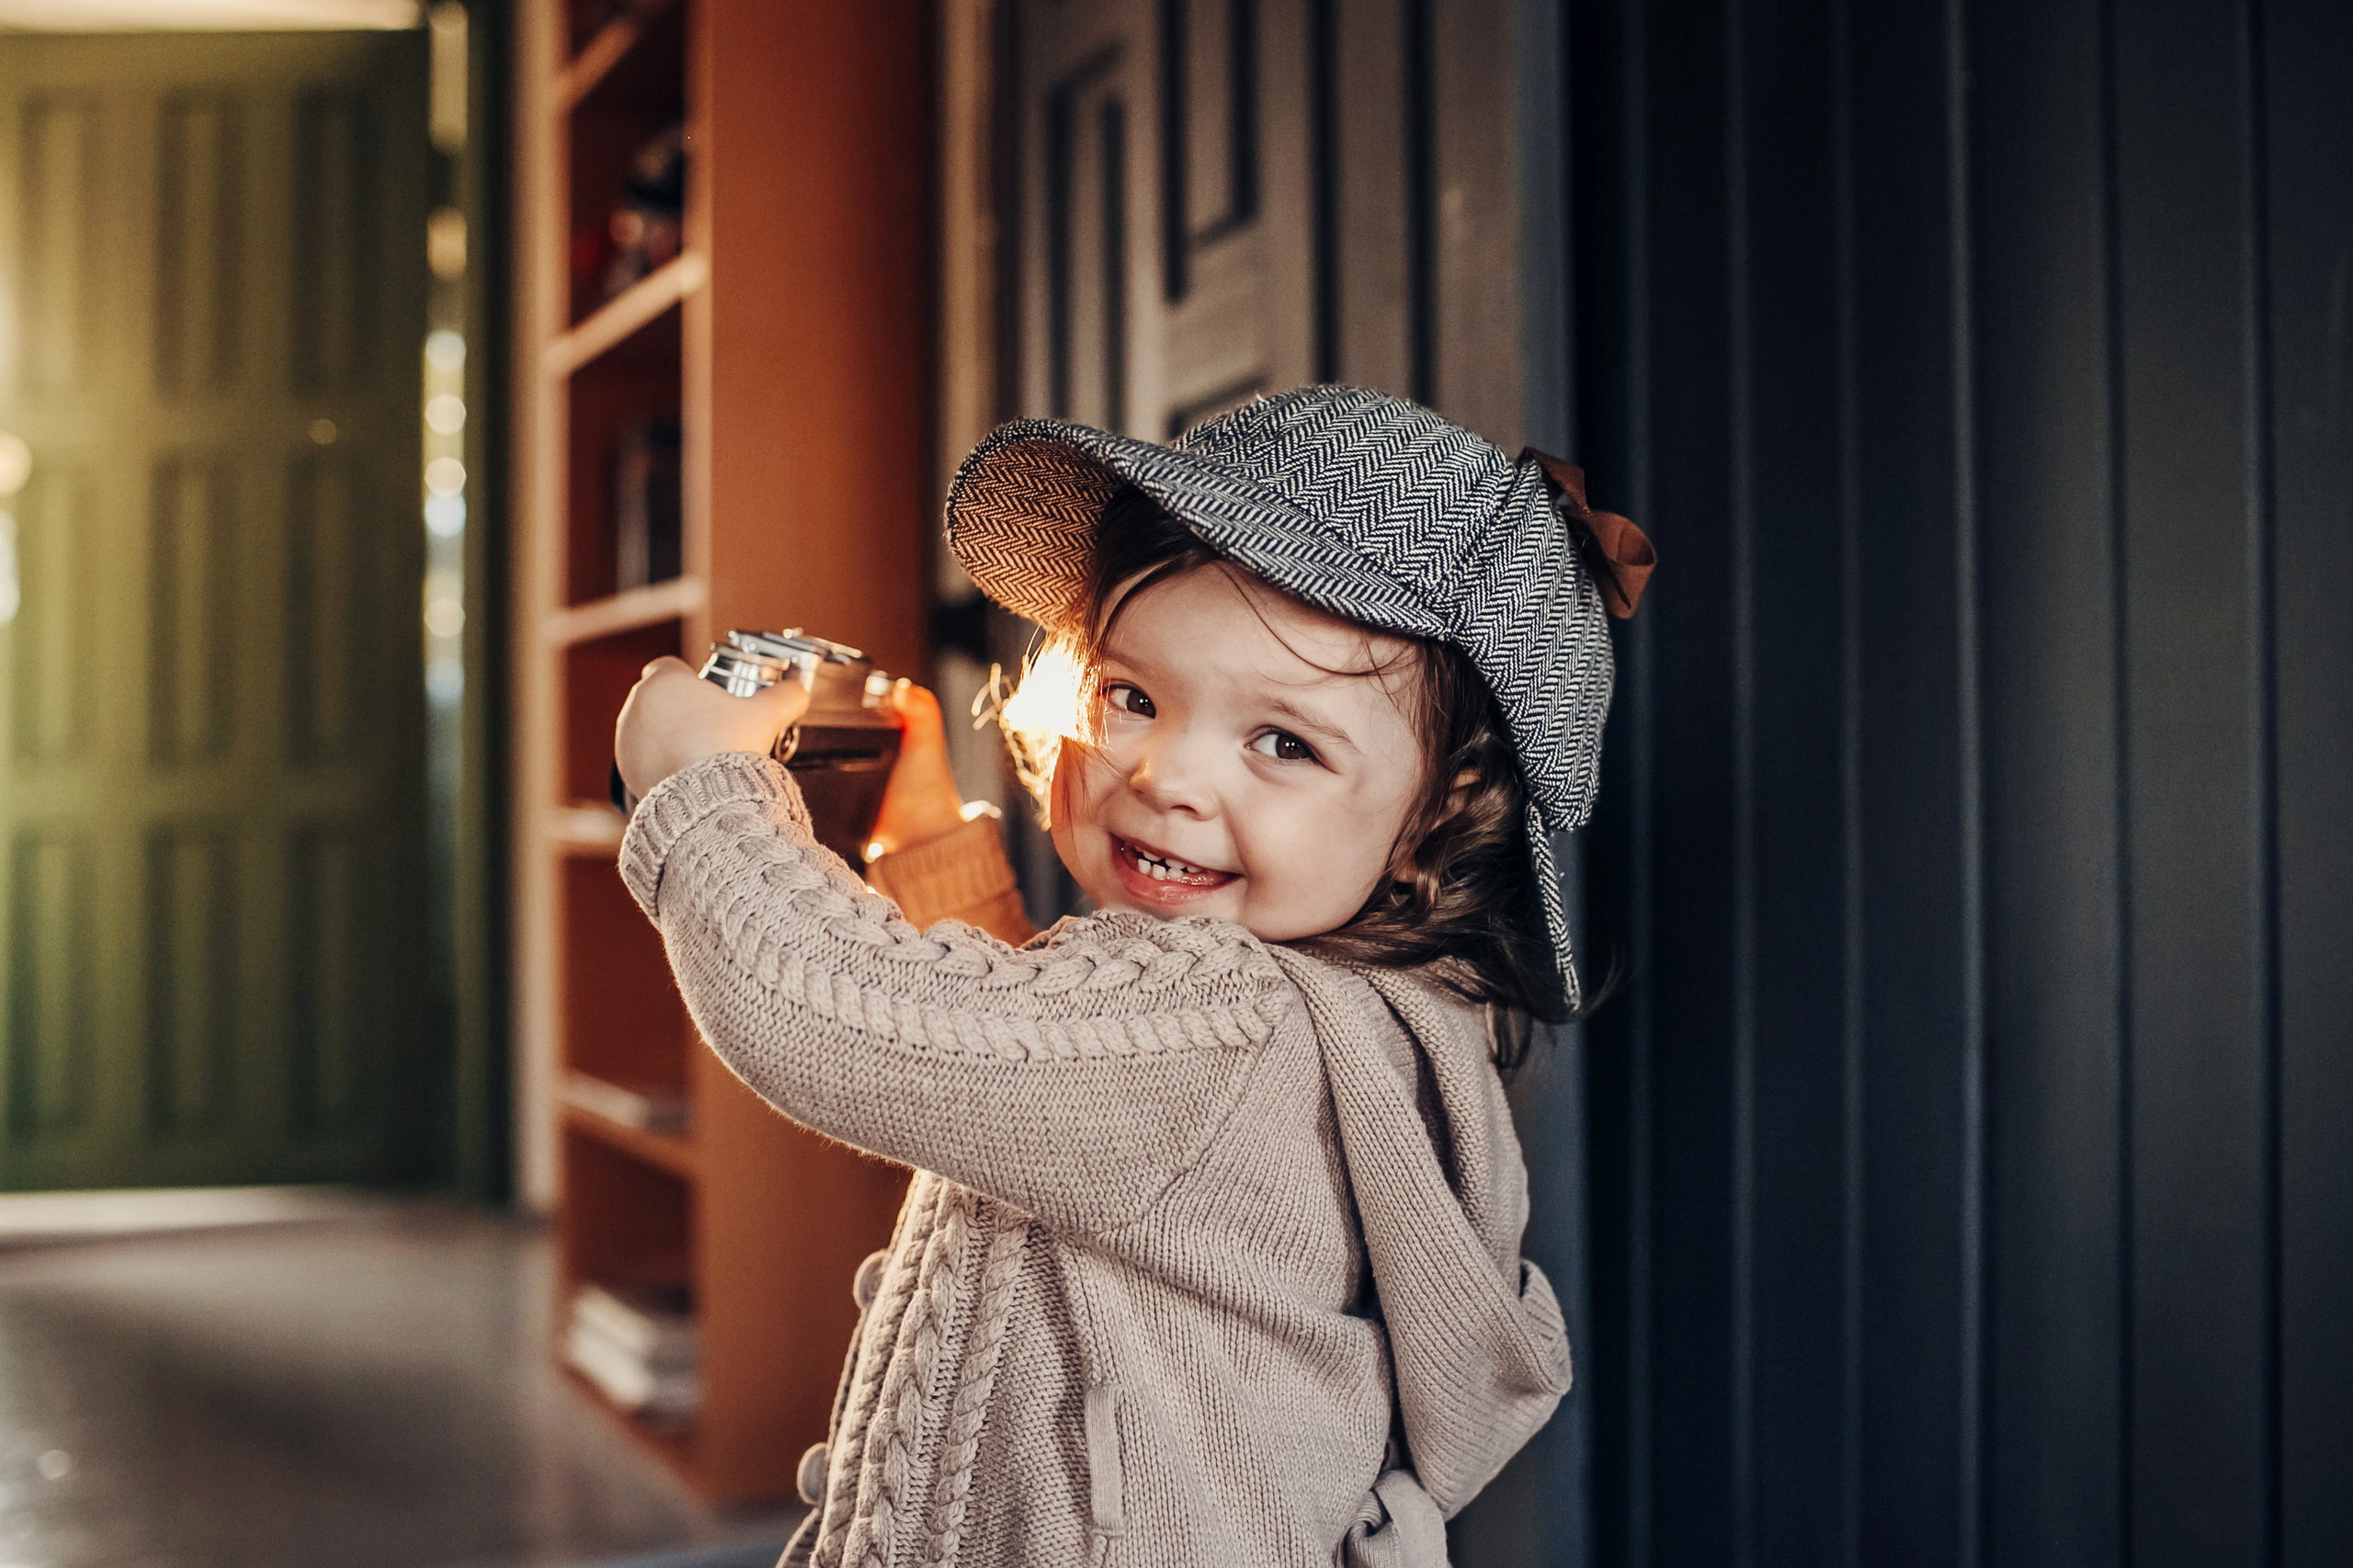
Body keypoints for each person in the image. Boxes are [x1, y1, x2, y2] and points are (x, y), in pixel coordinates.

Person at [612, 385, 1654, 1568]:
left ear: (1443, 811)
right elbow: (1039, 1074)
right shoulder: (1354, 1010)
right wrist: (925, 846)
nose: (1165, 773)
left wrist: (696, 791)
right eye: (1131, 694)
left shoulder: (1228, 1022)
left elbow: (838, 1020)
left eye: (1284, 742)